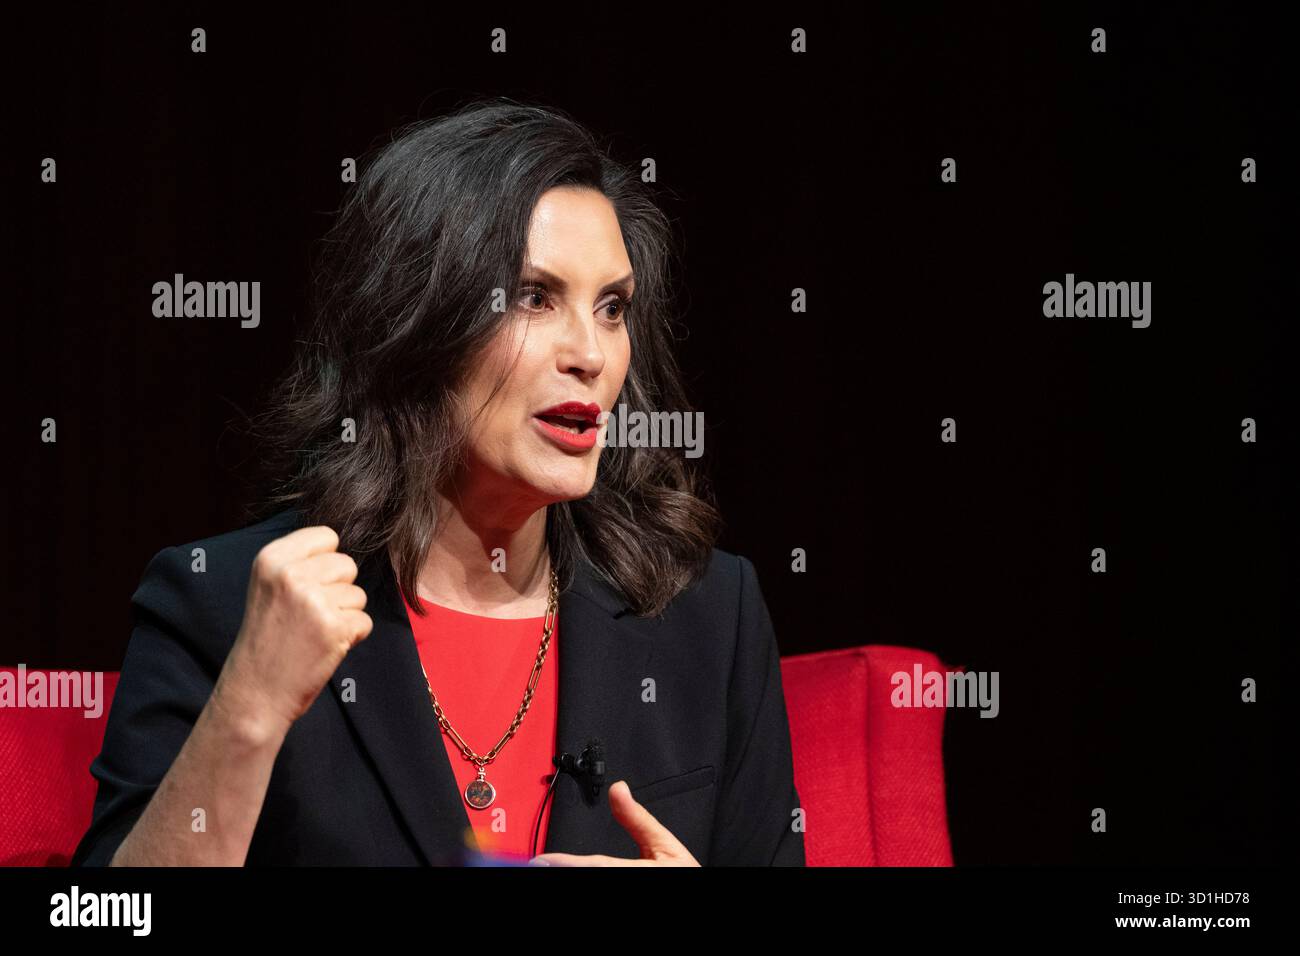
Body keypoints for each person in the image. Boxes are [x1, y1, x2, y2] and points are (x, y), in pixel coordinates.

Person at [71, 97, 804, 867]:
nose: (590, 353)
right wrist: (249, 711)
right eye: (534, 297)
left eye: (613, 307)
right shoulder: (222, 604)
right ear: (418, 321)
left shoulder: (707, 618)